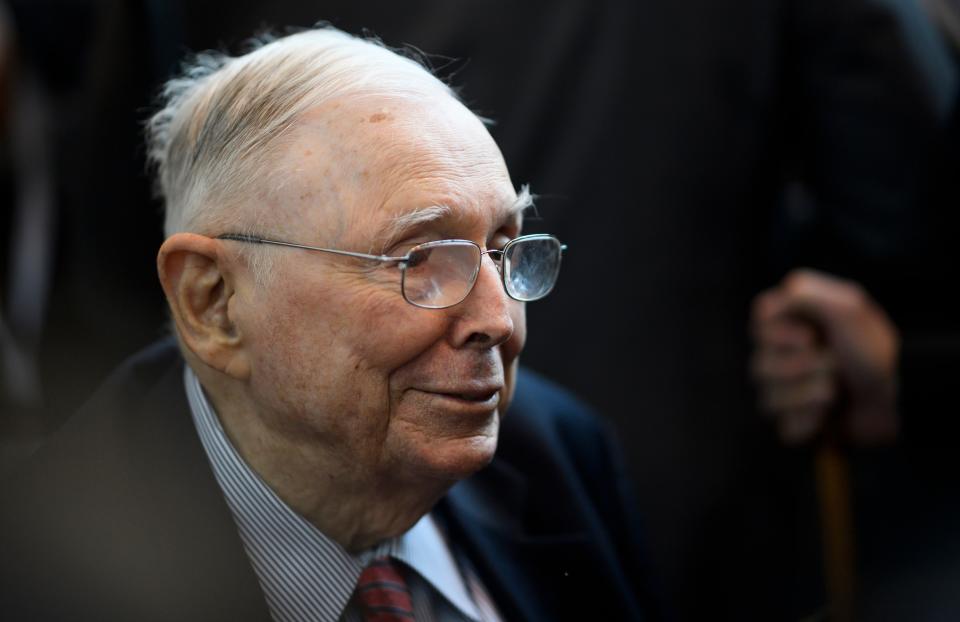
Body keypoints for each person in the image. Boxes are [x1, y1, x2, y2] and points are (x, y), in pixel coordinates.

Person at [0, 27, 653, 621]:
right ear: (214, 303)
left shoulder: (560, 453)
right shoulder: (42, 573)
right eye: (419, 258)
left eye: (505, 246)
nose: (497, 321)